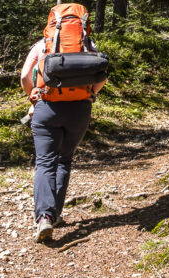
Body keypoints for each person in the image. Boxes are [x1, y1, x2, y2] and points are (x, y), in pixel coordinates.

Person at [20, 36, 106, 242]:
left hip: (46, 107)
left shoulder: (43, 45)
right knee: (64, 159)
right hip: (80, 109)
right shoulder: (88, 46)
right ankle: (55, 214)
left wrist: (33, 96)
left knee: (45, 162)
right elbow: (102, 74)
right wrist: (90, 94)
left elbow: (25, 76)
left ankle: (44, 217)